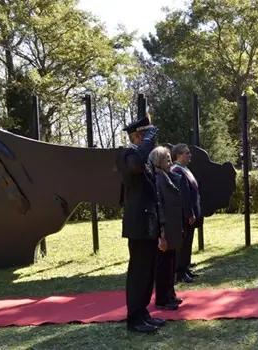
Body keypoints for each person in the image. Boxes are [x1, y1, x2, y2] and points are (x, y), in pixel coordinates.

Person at [116, 115, 166, 333]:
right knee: (138, 272)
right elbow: (135, 166)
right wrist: (148, 143)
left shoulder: (144, 159)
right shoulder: (127, 155)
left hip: (150, 223)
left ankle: (142, 311)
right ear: (136, 137)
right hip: (138, 224)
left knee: (147, 271)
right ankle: (133, 318)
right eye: (146, 137)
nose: (150, 141)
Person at [149, 146, 187, 311]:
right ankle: (162, 299)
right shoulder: (158, 179)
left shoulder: (167, 176)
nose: (170, 162)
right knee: (164, 265)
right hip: (165, 230)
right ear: (158, 162)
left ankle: (170, 294)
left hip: (173, 228)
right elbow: (160, 207)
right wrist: (162, 234)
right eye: (167, 159)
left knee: (171, 263)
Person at [171, 143, 201, 284]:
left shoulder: (185, 169)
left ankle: (185, 268)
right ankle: (180, 272)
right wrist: (189, 214)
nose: (190, 155)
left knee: (188, 242)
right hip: (184, 215)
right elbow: (184, 195)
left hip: (191, 213)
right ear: (178, 156)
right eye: (187, 153)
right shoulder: (177, 170)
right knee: (183, 244)